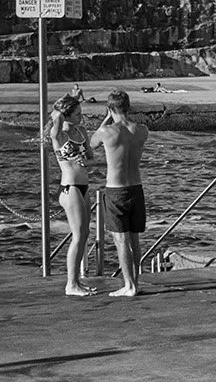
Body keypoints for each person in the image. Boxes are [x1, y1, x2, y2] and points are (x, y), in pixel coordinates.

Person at [92, 89, 150, 297]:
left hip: (116, 190)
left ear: (109, 108)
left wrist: (105, 120)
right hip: (137, 188)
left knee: (120, 240)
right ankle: (135, 281)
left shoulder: (106, 132)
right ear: (129, 107)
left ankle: (129, 285)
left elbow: (91, 144)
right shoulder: (141, 130)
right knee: (134, 239)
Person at [45, 89, 95, 297]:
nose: (81, 117)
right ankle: (71, 284)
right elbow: (55, 117)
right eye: (76, 114)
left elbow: (91, 157)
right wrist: (61, 109)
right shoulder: (58, 135)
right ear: (66, 115)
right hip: (70, 187)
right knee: (77, 235)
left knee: (85, 234)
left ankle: (77, 282)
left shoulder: (81, 131)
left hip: (83, 186)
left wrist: (86, 160)